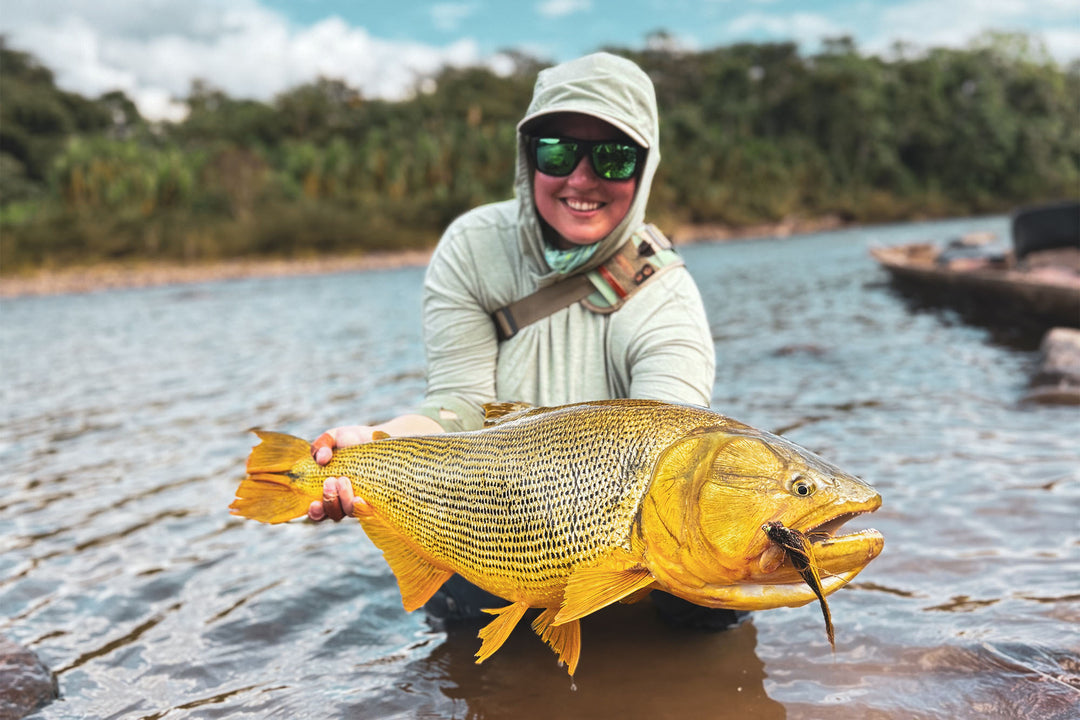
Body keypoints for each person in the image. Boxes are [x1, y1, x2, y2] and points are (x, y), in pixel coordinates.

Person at [308, 52, 743, 630]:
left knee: (715, 572)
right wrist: (379, 443)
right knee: (462, 611)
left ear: (645, 168)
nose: (581, 179)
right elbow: (459, 404)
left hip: (622, 530)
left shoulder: (668, 298)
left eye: (613, 157)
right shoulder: (472, 248)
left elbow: (672, 443)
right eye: (557, 152)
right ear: (528, 156)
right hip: (497, 517)